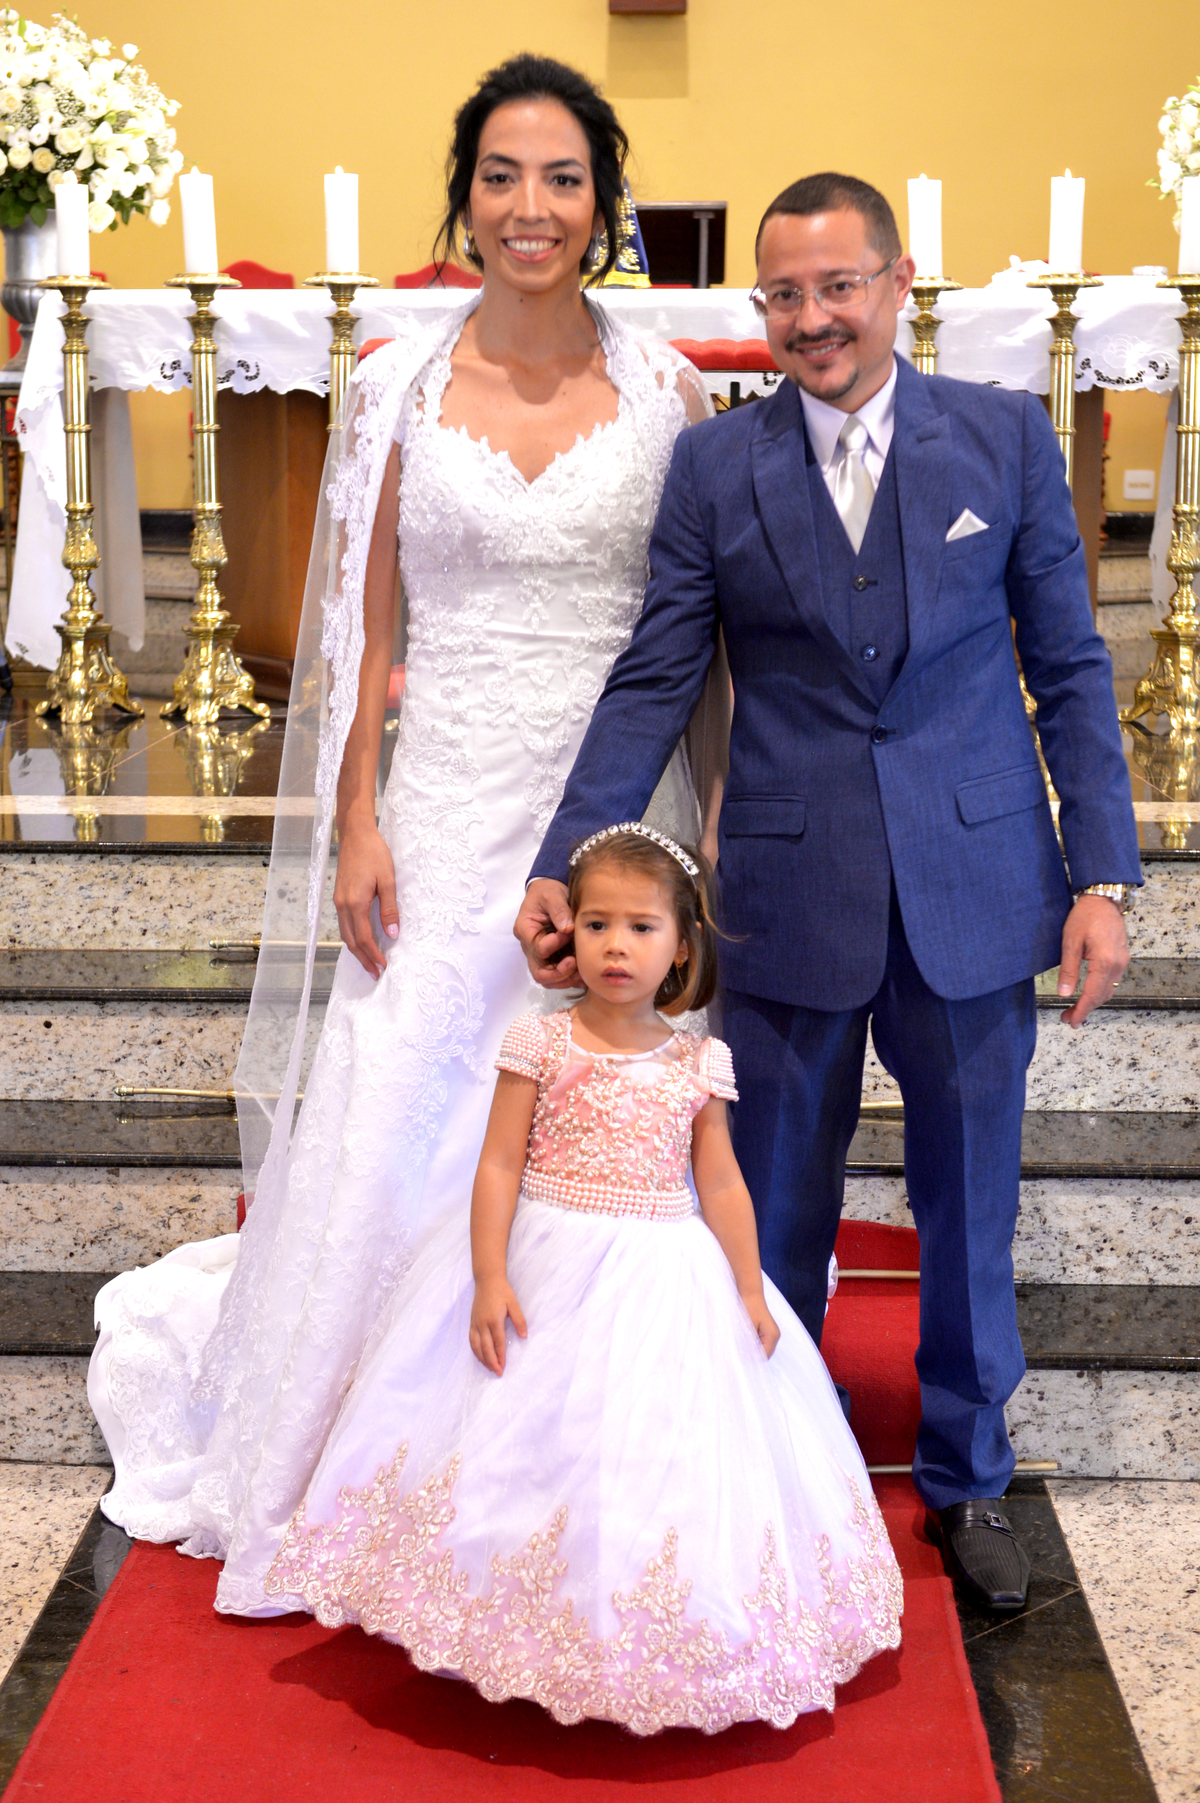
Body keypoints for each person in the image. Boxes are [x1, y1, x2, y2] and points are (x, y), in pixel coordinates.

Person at [87, 54, 717, 1619]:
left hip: (614, 806)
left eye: (562, 179)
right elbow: (365, 632)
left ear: (604, 202)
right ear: (466, 195)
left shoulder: (671, 392)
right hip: (441, 807)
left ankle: (562, 1462)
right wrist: (356, 817)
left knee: (593, 1116)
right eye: (502, 176)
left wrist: (708, 835)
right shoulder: (396, 389)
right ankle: (344, 1456)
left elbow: (694, 632)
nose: (530, 207)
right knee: (407, 1103)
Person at [517, 172, 1141, 1614]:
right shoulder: (716, 470)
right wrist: (566, 856)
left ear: (898, 283)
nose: (813, 319)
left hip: (976, 882)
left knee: (968, 1211)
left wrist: (1102, 872)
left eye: (838, 287)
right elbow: (657, 676)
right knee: (772, 1205)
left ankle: (969, 1478)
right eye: (785, 295)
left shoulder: (1004, 436)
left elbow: (1070, 665)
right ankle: (775, 1462)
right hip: (791, 891)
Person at [264, 825, 902, 1732]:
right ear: (572, 933)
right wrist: (490, 1275)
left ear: (682, 946)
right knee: (522, 1438)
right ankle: (505, 1618)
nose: (615, 946)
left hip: (662, 1273)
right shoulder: (540, 1042)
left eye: (641, 927)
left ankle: (636, 1639)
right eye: (597, 923)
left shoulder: (698, 1061)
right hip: (545, 1263)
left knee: (647, 1453)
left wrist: (750, 1288)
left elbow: (722, 1183)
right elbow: (498, 1164)